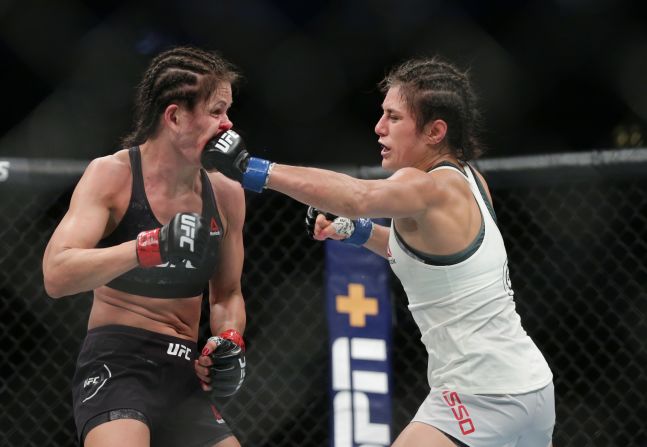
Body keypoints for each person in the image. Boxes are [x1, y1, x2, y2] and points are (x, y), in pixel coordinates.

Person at [201, 56, 555, 447]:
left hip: (482, 392)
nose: (379, 128)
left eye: (394, 117)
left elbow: (358, 195)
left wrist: (249, 168)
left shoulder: (426, 185)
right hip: (531, 387)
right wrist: (354, 231)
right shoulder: (471, 182)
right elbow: (428, 261)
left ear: (435, 130)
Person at [42, 46, 247, 447]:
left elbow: (228, 294)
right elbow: (57, 274)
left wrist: (228, 338)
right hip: (118, 363)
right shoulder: (112, 175)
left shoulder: (226, 194)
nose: (228, 124)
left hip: (185, 373)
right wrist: (148, 246)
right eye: (216, 111)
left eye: (227, 110)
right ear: (174, 116)